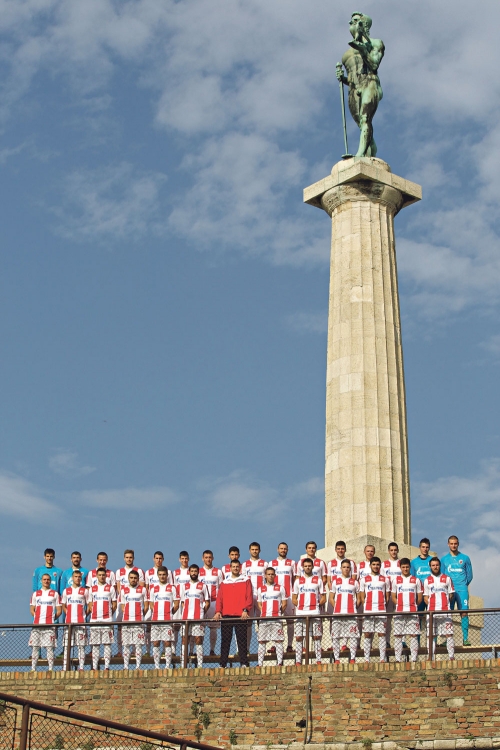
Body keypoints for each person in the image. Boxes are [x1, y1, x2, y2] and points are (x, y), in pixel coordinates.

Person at [336, 12, 384, 157]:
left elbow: (374, 65)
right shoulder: (347, 54)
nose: (352, 24)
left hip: (370, 82)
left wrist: (363, 50)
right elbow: (352, 78)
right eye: (351, 22)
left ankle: (360, 154)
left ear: (365, 25)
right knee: (362, 125)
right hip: (353, 89)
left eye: (356, 21)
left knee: (365, 119)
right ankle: (370, 150)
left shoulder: (376, 43)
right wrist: (343, 78)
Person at [214, 560, 253, 668]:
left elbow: (249, 597)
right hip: (227, 615)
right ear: (230, 568)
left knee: (242, 640)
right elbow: (220, 598)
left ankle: (244, 663)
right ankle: (223, 664)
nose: (235, 568)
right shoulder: (225, 582)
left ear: (240, 568)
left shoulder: (246, 580)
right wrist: (218, 611)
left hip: (240, 615)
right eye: (233, 566)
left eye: (237, 566)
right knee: (225, 640)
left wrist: (246, 610)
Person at [292, 558, 326, 665]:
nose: (307, 567)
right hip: (300, 613)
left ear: (312, 567)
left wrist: (316, 605)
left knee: (316, 637)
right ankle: (298, 661)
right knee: (299, 637)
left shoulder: (318, 580)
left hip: (314, 612)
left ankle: (318, 660)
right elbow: (294, 598)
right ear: (303, 567)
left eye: (309, 566)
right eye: (305, 566)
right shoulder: (298, 581)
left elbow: (324, 597)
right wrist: (300, 606)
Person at [441, 536, 473, 646]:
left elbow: (470, 575)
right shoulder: (444, 559)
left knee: (464, 613)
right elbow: (442, 576)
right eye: (451, 543)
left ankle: (465, 638)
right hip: (449, 590)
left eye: (455, 543)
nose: (453, 545)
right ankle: (447, 639)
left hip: (462, 590)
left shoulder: (465, 558)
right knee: (448, 613)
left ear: (458, 544)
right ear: (448, 544)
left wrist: (463, 584)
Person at [424, 557, 455, 660]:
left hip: (445, 611)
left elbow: (451, 594)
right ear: (430, 566)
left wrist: (445, 603)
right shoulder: (427, 580)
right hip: (432, 611)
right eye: (433, 565)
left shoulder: (447, 578)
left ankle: (451, 656)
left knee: (449, 634)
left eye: (437, 565)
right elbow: (425, 597)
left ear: (440, 565)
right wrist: (431, 605)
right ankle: (431, 657)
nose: (435, 567)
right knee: (431, 635)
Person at [391, 558, 422, 662]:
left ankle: (414, 659)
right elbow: (393, 596)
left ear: (410, 567)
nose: (405, 569)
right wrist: (399, 605)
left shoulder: (416, 580)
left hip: (412, 612)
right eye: (403, 567)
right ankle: (398, 659)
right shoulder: (396, 580)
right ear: (400, 568)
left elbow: (420, 597)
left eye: (407, 567)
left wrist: (413, 605)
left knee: (413, 635)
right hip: (399, 612)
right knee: (398, 636)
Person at [179, 564, 210, 668]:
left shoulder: (203, 586)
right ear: (189, 572)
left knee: (198, 639)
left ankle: (200, 665)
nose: (193, 573)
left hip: (198, 617)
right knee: (184, 640)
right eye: (192, 571)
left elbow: (207, 602)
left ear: (198, 572)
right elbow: (182, 602)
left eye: (195, 571)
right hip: (186, 618)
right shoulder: (184, 586)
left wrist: (202, 612)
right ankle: (183, 665)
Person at [29, 572, 62, 671]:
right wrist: (37, 617)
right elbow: (32, 609)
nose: (46, 581)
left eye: (48, 579)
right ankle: (33, 669)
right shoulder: (35, 594)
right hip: (37, 625)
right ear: (41, 581)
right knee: (35, 647)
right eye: (44, 579)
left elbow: (59, 610)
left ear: (50, 581)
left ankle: (50, 669)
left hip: (49, 626)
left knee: (49, 648)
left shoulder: (55, 594)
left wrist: (52, 618)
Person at [148, 566, 179, 669]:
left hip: (167, 620)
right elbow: (151, 603)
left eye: (164, 575)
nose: (162, 576)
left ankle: (167, 666)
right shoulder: (153, 588)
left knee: (167, 642)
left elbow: (176, 604)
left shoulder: (172, 588)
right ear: (158, 575)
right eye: (160, 575)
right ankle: (157, 666)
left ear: (167, 575)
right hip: (156, 620)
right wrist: (156, 612)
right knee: (156, 642)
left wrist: (169, 613)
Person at [359, 556, 389, 663]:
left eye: (377, 565)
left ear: (380, 566)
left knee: (382, 634)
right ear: (370, 565)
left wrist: (383, 605)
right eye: (374, 564)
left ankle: (382, 659)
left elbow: (387, 596)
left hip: (381, 610)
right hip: (368, 611)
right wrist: (366, 605)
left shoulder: (385, 579)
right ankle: (367, 659)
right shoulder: (364, 579)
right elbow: (362, 596)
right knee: (367, 634)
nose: (376, 566)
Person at [329, 559, 360, 664]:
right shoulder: (335, 581)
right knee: (335, 636)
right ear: (341, 568)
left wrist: (354, 608)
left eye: (348, 567)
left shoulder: (355, 582)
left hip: (351, 614)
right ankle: (337, 659)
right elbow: (331, 598)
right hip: (338, 614)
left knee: (353, 636)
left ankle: (352, 658)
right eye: (344, 567)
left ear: (350, 569)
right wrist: (337, 607)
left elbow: (359, 598)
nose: (346, 569)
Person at [115, 550, 145, 654]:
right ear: (124, 558)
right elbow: (118, 588)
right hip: (123, 601)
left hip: (135, 602)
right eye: (127, 557)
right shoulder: (119, 571)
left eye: (130, 557)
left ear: (133, 558)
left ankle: (134, 650)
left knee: (136, 625)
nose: (129, 559)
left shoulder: (139, 571)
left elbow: (141, 586)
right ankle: (120, 651)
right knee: (120, 626)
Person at [268, 542, 296, 653]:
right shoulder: (271, 563)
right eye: (281, 548)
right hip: (275, 597)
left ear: (287, 550)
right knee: (275, 621)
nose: (283, 550)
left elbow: (295, 579)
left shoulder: (292, 563)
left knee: (290, 622)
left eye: (285, 549)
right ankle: (274, 645)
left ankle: (289, 645)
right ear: (277, 549)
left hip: (288, 596)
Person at [256, 567, 287, 667]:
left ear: (275, 575)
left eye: (272, 574)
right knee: (261, 641)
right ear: (265, 576)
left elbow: (284, 604)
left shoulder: (280, 588)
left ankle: (279, 662)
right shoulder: (260, 589)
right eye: (268, 574)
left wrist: (278, 613)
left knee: (278, 641)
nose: (270, 576)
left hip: (276, 619)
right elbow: (259, 604)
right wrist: (264, 612)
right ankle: (260, 664)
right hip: (264, 619)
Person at [88, 567, 117, 670]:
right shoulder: (92, 589)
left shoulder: (111, 588)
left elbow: (114, 604)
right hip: (94, 620)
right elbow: (90, 604)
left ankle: (106, 667)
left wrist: (108, 614)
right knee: (95, 645)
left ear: (106, 576)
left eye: (103, 575)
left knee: (107, 644)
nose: (101, 577)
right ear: (96, 576)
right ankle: (94, 667)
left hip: (107, 620)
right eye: (99, 575)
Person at [61, 569, 89, 670]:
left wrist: (84, 615)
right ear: (72, 578)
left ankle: (81, 667)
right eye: (76, 577)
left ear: (81, 579)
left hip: (81, 623)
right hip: (69, 622)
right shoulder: (66, 591)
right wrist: (67, 612)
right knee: (67, 646)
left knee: (81, 646)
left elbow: (89, 605)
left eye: (79, 577)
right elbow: (63, 605)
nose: (77, 579)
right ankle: (65, 667)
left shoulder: (85, 591)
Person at [120, 570, 147, 670]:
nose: (133, 580)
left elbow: (146, 606)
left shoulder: (143, 590)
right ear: (128, 578)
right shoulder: (123, 590)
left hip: (139, 621)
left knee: (138, 645)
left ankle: (138, 666)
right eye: (131, 578)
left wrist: (140, 615)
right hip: (126, 621)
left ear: (138, 579)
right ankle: (126, 667)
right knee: (126, 645)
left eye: (135, 578)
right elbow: (122, 605)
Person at [199, 550, 223, 656]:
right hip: (202, 603)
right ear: (202, 558)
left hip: (214, 602)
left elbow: (222, 589)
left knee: (213, 628)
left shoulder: (218, 572)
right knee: (200, 628)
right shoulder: (198, 571)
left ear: (213, 558)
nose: (208, 559)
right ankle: (199, 651)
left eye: (210, 557)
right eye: (206, 557)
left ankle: (212, 650)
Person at [172, 551, 192, 649]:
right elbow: (172, 587)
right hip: (178, 601)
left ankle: (189, 650)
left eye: (186, 558)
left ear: (188, 559)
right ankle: (173, 650)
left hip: (188, 602)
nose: (184, 560)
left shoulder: (191, 571)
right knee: (176, 627)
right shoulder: (175, 572)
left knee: (188, 627)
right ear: (179, 560)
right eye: (182, 559)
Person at [382, 542, 401, 646]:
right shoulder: (384, 564)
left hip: (400, 594)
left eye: (395, 550)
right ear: (388, 551)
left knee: (400, 618)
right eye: (391, 550)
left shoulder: (401, 563)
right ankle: (387, 641)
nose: (393, 552)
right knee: (388, 619)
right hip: (388, 594)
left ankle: (401, 642)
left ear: (398, 551)